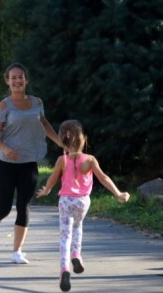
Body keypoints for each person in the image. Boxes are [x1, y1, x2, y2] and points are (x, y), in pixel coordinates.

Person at [0, 63, 61, 264]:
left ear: (26, 80)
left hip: (28, 161)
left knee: (24, 205)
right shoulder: (4, 105)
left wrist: (60, 141)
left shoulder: (36, 102)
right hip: (6, 163)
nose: (17, 81)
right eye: (13, 78)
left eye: (20, 77)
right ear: (7, 81)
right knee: (4, 208)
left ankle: (17, 251)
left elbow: (44, 123)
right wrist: (5, 149)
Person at [35, 120, 130, 292]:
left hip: (65, 201)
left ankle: (64, 269)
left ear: (63, 141)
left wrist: (47, 190)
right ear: (83, 140)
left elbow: (52, 179)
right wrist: (118, 193)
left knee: (65, 237)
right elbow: (104, 178)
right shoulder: (90, 160)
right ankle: (76, 255)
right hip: (82, 202)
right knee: (78, 227)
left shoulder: (61, 160)